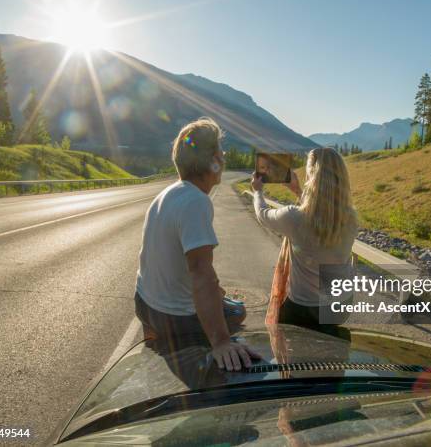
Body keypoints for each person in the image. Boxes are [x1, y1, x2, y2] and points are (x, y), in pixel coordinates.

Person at [135, 117, 261, 371]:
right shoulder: (197, 202)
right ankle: (199, 348)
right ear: (213, 160)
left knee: (221, 297)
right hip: (173, 317)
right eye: (221, 153)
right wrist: (221, 342)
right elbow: (201, 273)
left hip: (144, 303)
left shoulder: (169, 193)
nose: (224, 158)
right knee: (237, 312)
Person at [251, 147, 358, 336]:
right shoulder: (350, 218)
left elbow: (263, 214)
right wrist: (298, 191)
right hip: (341, 305)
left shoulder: (294, 218)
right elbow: (320, 217)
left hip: (304, 308)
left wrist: (258, 192)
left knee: (283, 329)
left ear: (311, 176)